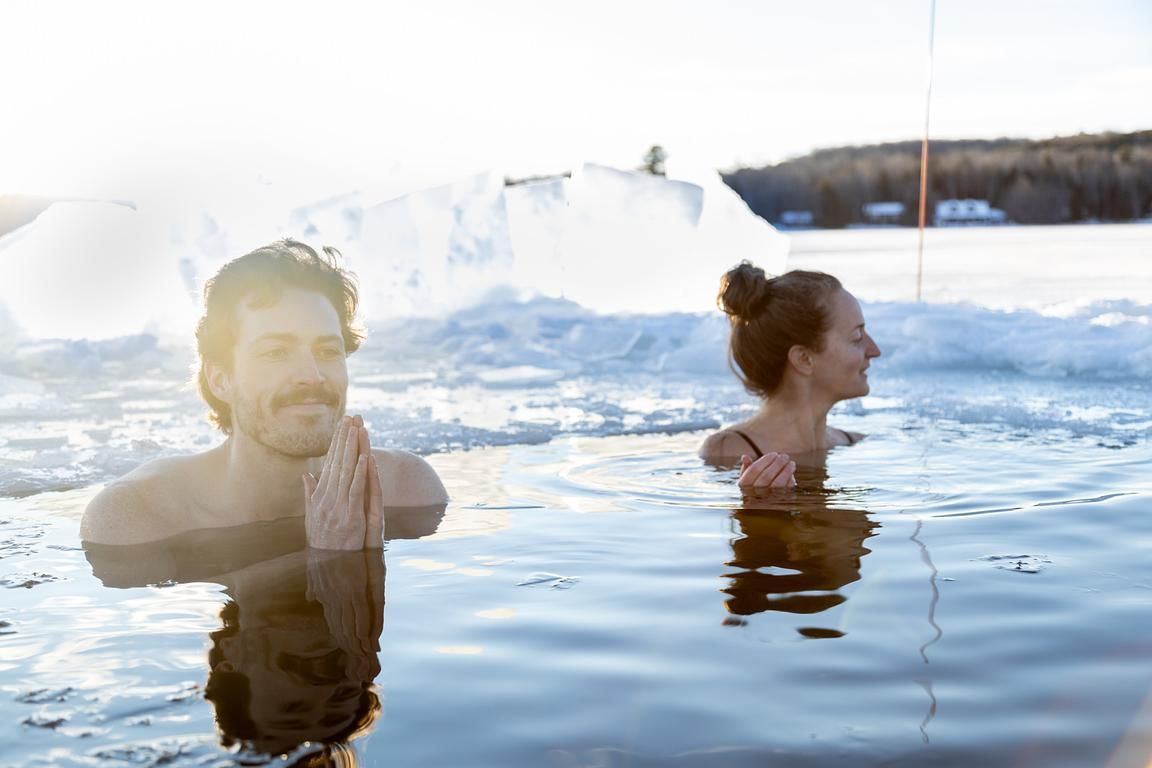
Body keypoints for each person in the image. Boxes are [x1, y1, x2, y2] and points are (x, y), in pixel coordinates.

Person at [80, 239, 447, 548]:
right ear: (221, 379)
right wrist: (331, 559)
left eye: (328, 350)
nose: (312, 375)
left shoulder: (407, 488)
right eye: (275, 352)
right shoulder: (138, 517)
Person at [698, 262, 881, 491]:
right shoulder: (727, 452)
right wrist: (758, 516)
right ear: (804, 359)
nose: (875, 350)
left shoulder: (855, 442)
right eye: (856, 336)